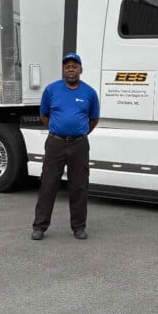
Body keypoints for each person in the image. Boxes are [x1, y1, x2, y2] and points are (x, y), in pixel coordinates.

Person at [32, 53, 100, 240]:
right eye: (67, 66)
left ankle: (78, 227)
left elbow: (93, 119)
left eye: (74, 66)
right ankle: (39, 227)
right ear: (63, 70)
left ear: (80, 70)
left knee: (79, 186)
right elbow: (44, 115)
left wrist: (79, 132)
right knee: (48, 184)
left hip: (79, 145)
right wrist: (58, 131)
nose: (71, 69)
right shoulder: (51, 90)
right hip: (55, 143)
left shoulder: (89, 93)